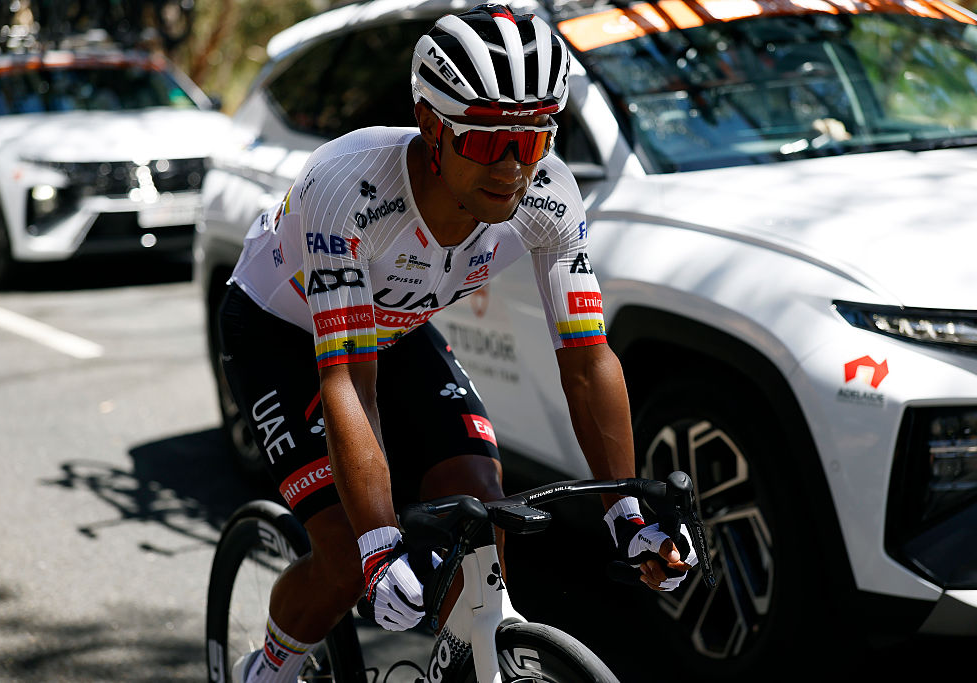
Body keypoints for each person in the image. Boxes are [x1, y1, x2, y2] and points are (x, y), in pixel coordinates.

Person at [219, 5, 698, 681]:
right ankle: (266, 667)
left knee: (481, 503)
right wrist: (382, 546)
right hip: (282, 334)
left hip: (393, 328)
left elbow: (588, 358)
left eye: (531, 141)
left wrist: (625, 509)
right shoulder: (348, 187)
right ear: (431, 127)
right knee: (345, 556)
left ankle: (479, 649)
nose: (510, 168)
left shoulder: (551, 194)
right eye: (484, 142)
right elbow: (349, 383)